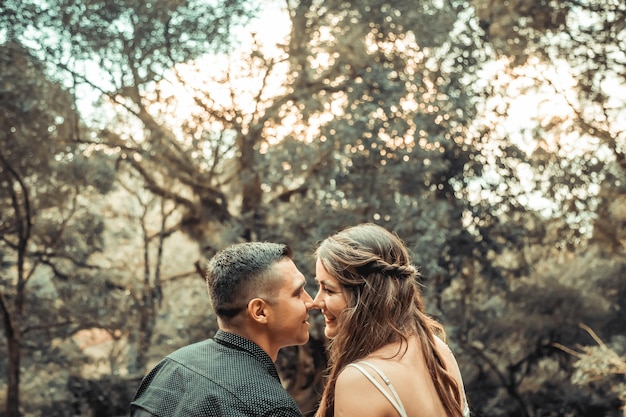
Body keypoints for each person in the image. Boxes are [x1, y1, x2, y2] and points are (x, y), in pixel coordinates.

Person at [130, 241, 314, 417]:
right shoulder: (271, 407)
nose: (311, 302)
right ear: (259, 311)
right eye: (298, 293)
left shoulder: (168, 367)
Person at [312, 223, 470, 417]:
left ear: (365, 298)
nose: (316, 301)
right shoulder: (438, 351)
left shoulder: (362, 380)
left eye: (328, 289)